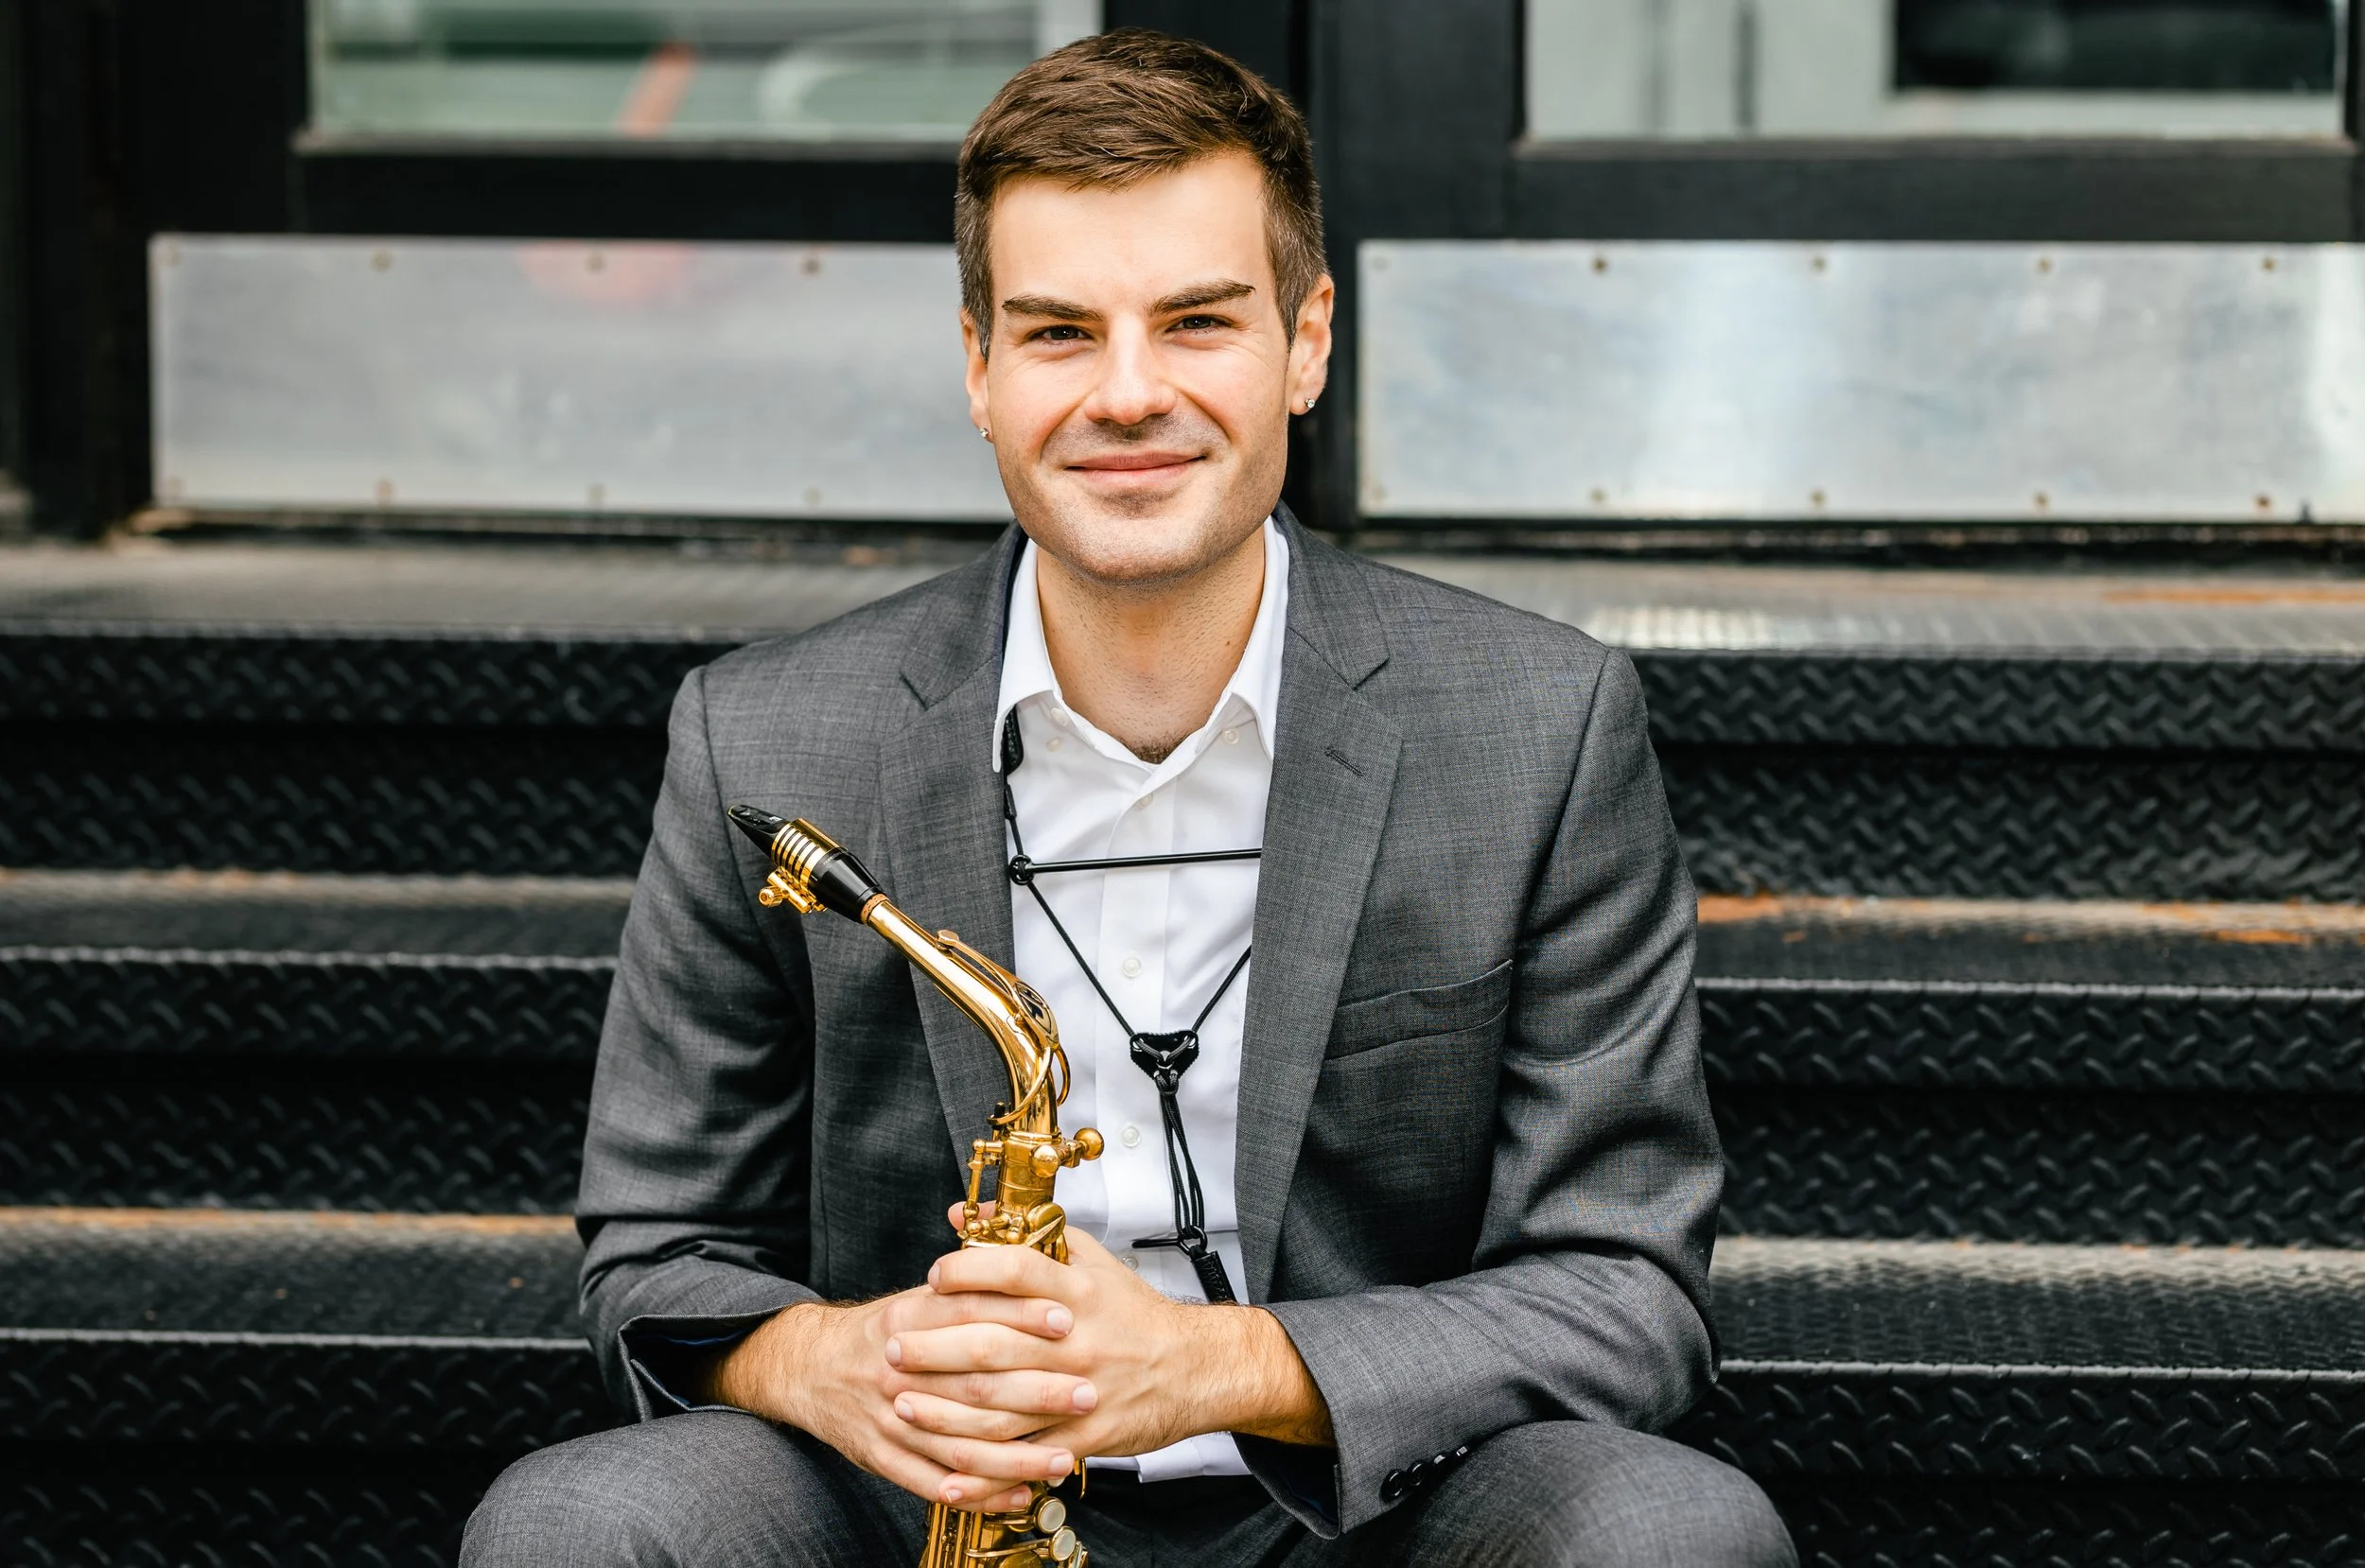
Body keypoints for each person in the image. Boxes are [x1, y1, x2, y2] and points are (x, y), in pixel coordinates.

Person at [464, 29, 1794, 1568]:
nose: (1130, 393)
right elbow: (655, 1256)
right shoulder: (764, 740)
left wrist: (1213, 1366)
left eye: (1198, 321)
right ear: (979, 368)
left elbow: (1627, 1290)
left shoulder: (1538, 728)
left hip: (1367, 1505)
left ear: (1306, 342)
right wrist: (835, 1361)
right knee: (572, 1530)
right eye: (1058, 334)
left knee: (1672, 1534)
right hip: (924, 1501)